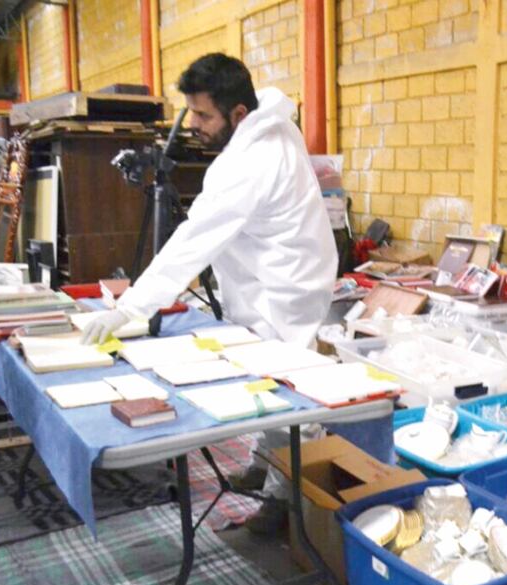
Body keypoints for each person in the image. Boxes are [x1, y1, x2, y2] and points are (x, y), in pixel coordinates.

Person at [81, 53, 337, 534]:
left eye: (204, 115)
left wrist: (131, 306)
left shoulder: (257, 156)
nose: (193, 124)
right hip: (271, 274)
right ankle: (266, 463)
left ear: (239, 114)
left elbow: (195, 238)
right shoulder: (263, 131)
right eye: (191, 112)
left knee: (284, 387)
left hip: (286, 284)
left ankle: (285, 503)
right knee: (267, 377)